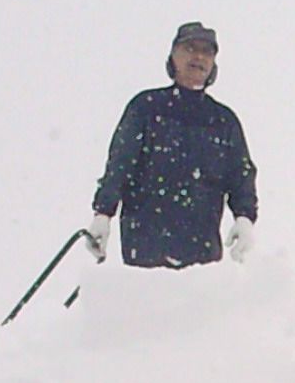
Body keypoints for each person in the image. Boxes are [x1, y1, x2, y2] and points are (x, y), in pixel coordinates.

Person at [83, 22, 258, 270]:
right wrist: (103, 213)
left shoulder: (223, 121)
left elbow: (241, 175)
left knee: (198, 295)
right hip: (144, 250)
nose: (199, 57)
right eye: (190, 48)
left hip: (201, 259)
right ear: (173, 56)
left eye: (207, 51)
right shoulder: (146, 108)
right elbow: (120, 165)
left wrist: (244, 217)